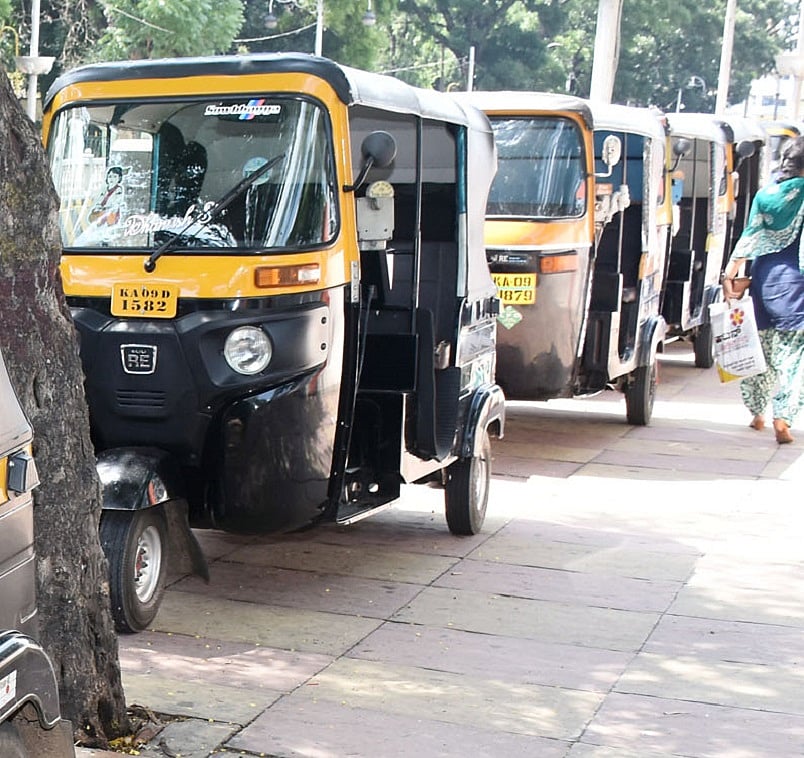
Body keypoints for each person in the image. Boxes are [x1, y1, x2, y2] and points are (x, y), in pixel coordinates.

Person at [722, 136, 804, 444]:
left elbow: (750, 236)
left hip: (763, 282)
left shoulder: (766, 194)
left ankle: (756, 412)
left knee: (764, 352)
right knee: (795, 357)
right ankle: (782, 417)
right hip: (796, 285)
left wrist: (731, 275)